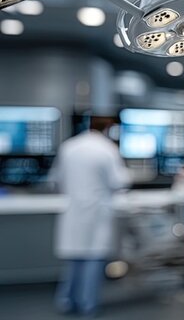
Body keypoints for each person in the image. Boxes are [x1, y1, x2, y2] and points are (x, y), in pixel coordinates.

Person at [52, 116, 131, 316]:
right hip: (98, 212)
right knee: (94, 260)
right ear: (108, 129)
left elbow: (57, 179)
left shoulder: (69, 147)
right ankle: (88, 304)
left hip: (74, 210)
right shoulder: (107, 149)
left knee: (75, 260)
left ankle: (66, 301)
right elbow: (119, 181)